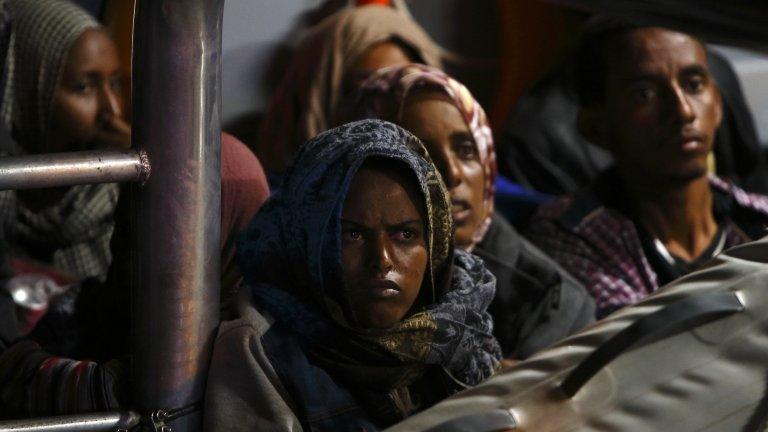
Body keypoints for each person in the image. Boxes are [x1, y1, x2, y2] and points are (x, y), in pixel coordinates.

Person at [204, 119, 501, 431]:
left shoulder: (460, 324)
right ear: (307, 240)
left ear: (434, 244)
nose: (382, 261)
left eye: (405, 234)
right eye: (352, 235)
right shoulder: (262, 350)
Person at [348, 64, 594, 358]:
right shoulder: (341, 278)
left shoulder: (550, 299)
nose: (452, 174)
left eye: (466, 150)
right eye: (421, 155)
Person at [526, 20, 768, 318]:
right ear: (594, 126)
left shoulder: (758, 219)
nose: (683, 111)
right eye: (645, 94)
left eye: (694, 85)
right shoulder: (574, 235)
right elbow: (639, 350)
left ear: (717, 104)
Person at [0, 0, 130, 283]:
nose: (113, 111)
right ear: (26, 88)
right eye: (84, 86)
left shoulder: (126, 196)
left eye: (115, 84)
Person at [256, 4, 442, 175]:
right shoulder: (271, 199)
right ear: (318, 96)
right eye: (372, 88)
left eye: (409, 88)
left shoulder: (449, 184)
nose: (394, 107)